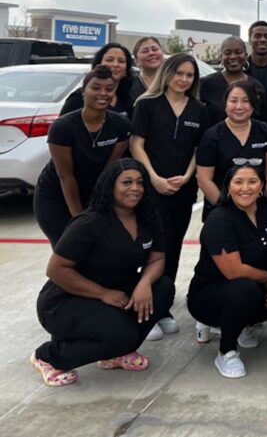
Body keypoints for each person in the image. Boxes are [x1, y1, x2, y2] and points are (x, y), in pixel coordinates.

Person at [31, 159, 174, 387]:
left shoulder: (148, 217)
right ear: (111, 186)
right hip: (65, 301)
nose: (135, 188)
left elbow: (157, 258)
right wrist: (102, 293)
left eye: (139, 182)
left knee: (163, 288)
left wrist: (144, 283)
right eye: (126, 182)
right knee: (121, 334)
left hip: (115, 291)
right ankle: (48, 356)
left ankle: (117, 352)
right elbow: (56, 269)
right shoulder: (89, 223)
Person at [131, 53, 208, 341]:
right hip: (153, 188)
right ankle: (144, 310)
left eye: (190, 75)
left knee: (173, 247)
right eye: (180, 74)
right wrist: (154, 177)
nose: (184, 80)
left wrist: (188, 177)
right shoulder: (147, 105)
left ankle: (161, 307)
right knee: (153, 247)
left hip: (183, 190)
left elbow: (198, 150)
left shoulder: (199, 109)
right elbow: (137, 144)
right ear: (168, 73)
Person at [187, 164, 267, 379]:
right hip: (209, 296)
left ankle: (243, 323)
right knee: (245, 290)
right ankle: (226, 351)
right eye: (238, 182)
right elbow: (233, 271)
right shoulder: (220, 219)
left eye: (252, 182)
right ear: (228, 188)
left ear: (262, 186)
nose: (245, 188)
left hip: (258, 287)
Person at [34, 65, 130, 246]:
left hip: (93, 191)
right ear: (83, 91)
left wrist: (99, 208)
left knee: (94, 252)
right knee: (68, 249)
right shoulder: (63, 127)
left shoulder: (120, 125)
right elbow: (65, 176)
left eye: (109, 89)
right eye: (96, 87)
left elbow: (108, 172)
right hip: (57, 194)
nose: (103, 93)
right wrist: (80, 219)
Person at [197, 80, 267, 221]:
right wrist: (226, 208)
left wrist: (261, 200)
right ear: (225, 104)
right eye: (233, 101)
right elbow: (204, 179)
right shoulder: (212, 136)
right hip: (221, 210)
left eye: (246, 101)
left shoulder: (265, 131)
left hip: (257, 209)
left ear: (253, 104)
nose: (239, 106)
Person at [199, 36, 267, 123]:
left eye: (238, 52)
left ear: (246, 56)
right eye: (227, 53)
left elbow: (264, 121)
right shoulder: (206, 84)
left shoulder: (257, 87)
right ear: (221, 57)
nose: (233, 56)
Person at [60, 43, 135, 118]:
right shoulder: (80, 96)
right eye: (109, 60)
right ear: (98, 64)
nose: (115, 64)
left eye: (121, 61)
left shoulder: (128, 96)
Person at [130, 37, 164, 104]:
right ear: (136, 60)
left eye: (155, 49)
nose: (151, 53)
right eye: (145, 51)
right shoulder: (129, 84)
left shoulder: (172, 83)